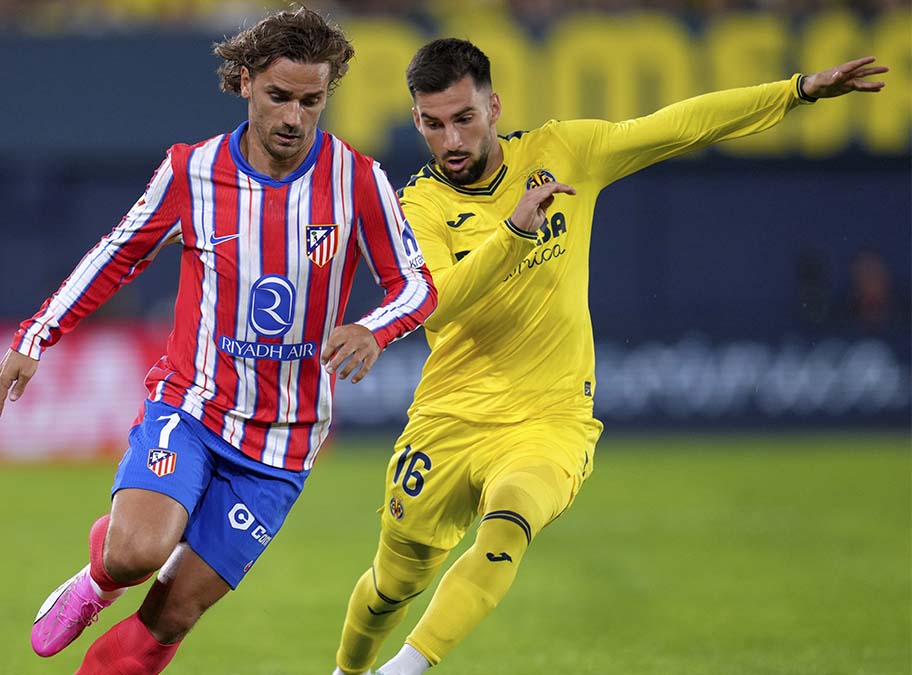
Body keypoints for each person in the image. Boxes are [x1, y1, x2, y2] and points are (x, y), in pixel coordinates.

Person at [331, 38, 887, 675]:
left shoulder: (561, 151)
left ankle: (406, 668)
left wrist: (794, 91)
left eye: (464, 117)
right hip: (451, 418)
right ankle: (346, 671)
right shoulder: (419, 207)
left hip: (552, 418)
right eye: (433, 124)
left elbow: (676, 126)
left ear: (494, 106)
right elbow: (439, 302)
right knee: (390, 588)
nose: (451, 139)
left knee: (509, 524)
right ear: (416, 122)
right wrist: (514, 232)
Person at [0, 8, 437, 674]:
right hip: (192, 406)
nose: (293, 116)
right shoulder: (190, 171)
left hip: (284, 441)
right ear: (247, 81)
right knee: (139, 551)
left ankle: (106, 597)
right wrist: (36, 334)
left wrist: (375, 326)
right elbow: (117, 255)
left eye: (311, 101)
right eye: (279, 96)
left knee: (172, 614)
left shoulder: (356, 180)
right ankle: (100, 578)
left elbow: (416, 286)